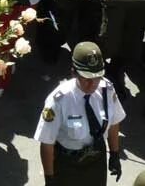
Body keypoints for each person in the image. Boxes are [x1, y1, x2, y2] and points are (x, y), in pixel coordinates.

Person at [34, 41, 125, 186]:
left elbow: (114, 123)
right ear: (73, 72)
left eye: (96, 77)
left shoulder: (106, 90)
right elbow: (47, 143)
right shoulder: (58, 100)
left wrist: (114, 154)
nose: (92, 84)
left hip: (96, 159)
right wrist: (49, 178)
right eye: (86, 78)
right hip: (68, 164)